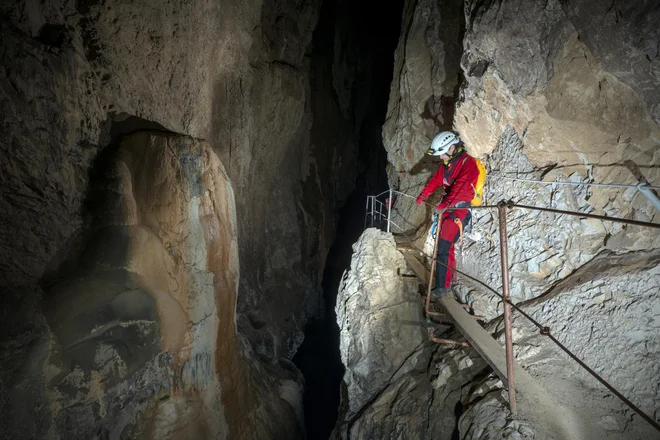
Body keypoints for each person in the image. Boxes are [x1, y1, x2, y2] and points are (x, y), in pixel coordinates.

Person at [416, 131, 480, 299]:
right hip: (448, 210)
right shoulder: (448, 164)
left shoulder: (469, 164)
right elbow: (436, 180)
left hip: (460, 211)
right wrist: (424, 194)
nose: (441, 158)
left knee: (443, 248)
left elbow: (462, 186)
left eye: (442, 153)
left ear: (452, 147)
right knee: (447, 247)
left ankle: (443, 288)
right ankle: (450, 280)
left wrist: (446, 203)